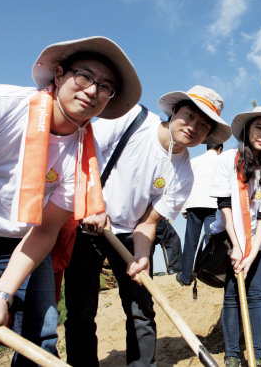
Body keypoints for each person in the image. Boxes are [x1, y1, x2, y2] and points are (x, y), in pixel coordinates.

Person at [0, 37, 140, 365]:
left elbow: (45, 232)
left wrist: (2, 293)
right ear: (58, 75)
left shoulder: (85, 162)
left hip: (22, 235)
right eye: (84, 76)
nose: (92, 91)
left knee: (40, 335)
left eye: (105, 87)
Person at [63, 86, 231, 367]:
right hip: (87, 228)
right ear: (174, 110)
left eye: (203, 125)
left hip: (130, 235)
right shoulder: (130, 120)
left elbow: (148, 222)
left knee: (141, 308)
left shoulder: (183, 174)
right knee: (81, 310)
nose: (193, 127)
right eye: (189, 116)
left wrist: (142, 258)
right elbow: (80, 155)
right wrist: (92, 205)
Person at [208, 105, 261, 367]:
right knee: (232, 293)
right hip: (230, 234)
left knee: (255, 294)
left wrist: (252, 251)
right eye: (259, 127)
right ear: (247, 130)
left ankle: (256, 353)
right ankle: (232, 354)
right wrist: (236, 245)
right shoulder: (227, 160)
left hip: (260, 240)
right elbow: (224, 203)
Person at [177, 143, 224, 286]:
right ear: (220, 149)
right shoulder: (221, 162)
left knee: (190, 242)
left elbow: (185, 184)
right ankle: (208, 272)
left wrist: (183, 208)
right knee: (211, 241)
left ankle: (186, 277)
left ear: (207, 147)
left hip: (194, 204)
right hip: (213, 205)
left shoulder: (194, 161)